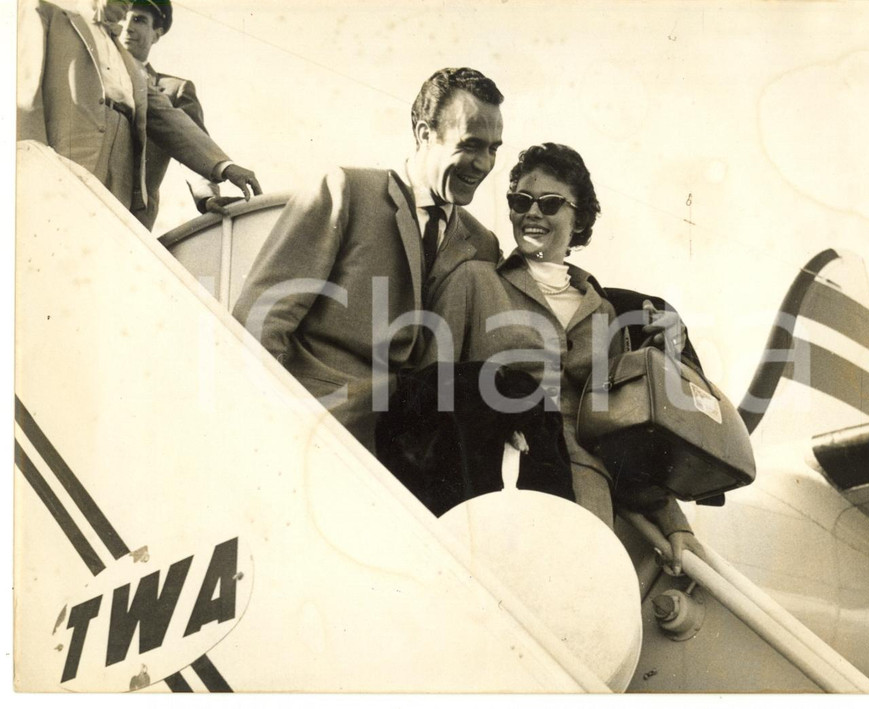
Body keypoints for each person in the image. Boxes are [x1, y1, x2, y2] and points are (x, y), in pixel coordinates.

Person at [422, 143, 702, 569]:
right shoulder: (473, 282)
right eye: (521, 201)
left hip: (586, 491)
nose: (532, 213)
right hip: (494, 480)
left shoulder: (604, 310)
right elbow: (427, 391)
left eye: (550, 203)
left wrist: (675, 522)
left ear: (579, 220)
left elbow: (616, 431)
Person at [232, 68, 504, 451]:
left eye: (494, 149)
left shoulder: (482, 245)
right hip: (312, 431)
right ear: (425, 134)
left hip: (410, 457)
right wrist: (274, 422)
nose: (483, 164)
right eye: (471, 145)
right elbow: (259, 318)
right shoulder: (346, 191)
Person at [16, 0, 261, 222]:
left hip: (121, 198)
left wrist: (224, 168)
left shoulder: (135, 69)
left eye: (140, 18)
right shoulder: (48, 13)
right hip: (61, 175)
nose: (129, 13)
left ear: (157, 34)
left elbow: (174, 123)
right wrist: (33, 167)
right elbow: (24, 99)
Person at [121, 0, 240, 230]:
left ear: (157, 34)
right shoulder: (93, 72)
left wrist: (207, 197)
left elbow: (191, 145)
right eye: (123, 18)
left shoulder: (174, 90)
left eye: (139, 20)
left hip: (132, 218)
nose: (128, 27)